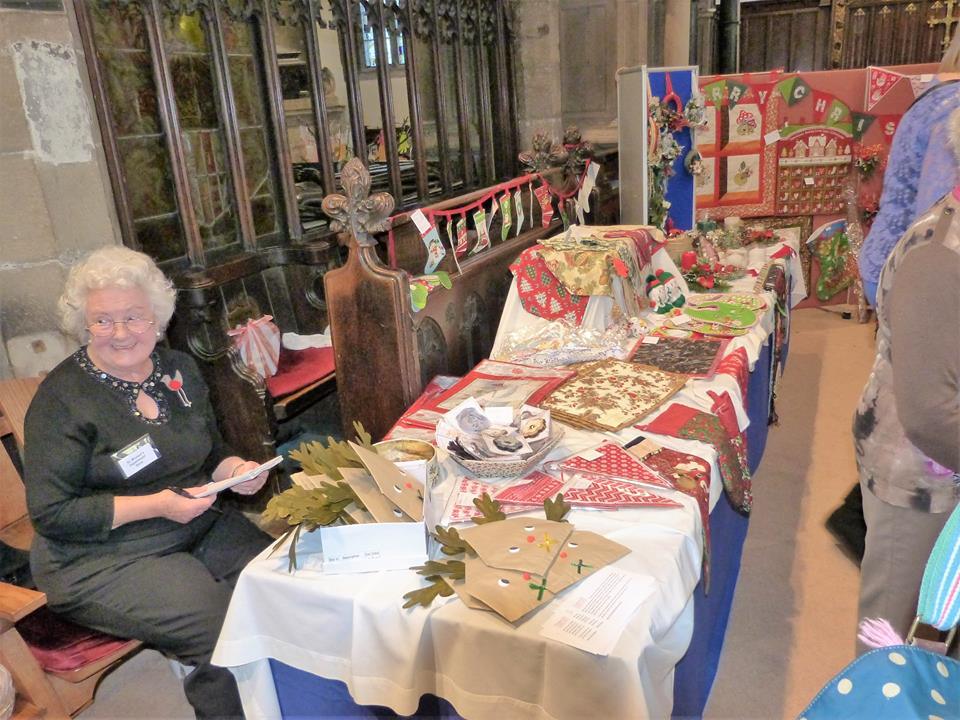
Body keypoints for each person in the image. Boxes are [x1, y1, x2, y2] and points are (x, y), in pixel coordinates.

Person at [23, 246, 272, 718]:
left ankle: (289, 701)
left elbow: (211, 450)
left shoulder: (179, 368)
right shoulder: (62, 400)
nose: (120, 334)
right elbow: (53, 514)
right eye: (103, 321)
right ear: (83, 325)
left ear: (157, 317)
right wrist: (159, 505)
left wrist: (236, 472)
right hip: (99, 556)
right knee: (221, 627)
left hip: (194, 521)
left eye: (134, 317)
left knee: (280, 581)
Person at [853, 108, 960, 650]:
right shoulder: (941, 255)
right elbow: (930, 413)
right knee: (894, 633)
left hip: (936, 466)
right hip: (917, 475)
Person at [859, 31, 960, 306]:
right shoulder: (949, 107)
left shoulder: (937, 99)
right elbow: (936, 218)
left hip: (901, 265)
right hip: (917, 275)